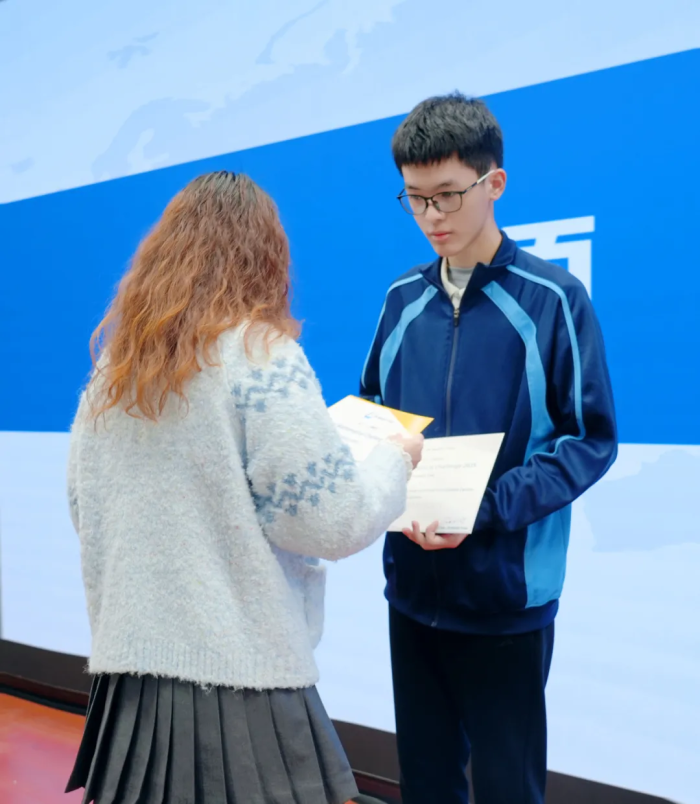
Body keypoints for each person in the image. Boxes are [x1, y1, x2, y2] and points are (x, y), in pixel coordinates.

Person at [65, 170, 423, 804]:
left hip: (130, 684)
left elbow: (83, 504)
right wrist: (395, 459)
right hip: (240, 683)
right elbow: (331, 520)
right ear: (267, 258)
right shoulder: (259, 354)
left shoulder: (113, 372)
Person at [360, 93, 618, 804]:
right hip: (411, 589)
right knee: (427, 784)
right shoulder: (400, 300)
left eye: (447, 195)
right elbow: (376, 413)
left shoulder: (553, 298)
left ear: (493, 182)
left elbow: (590, 439)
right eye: (415, 199)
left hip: (507, 595)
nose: (431, 217)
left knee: (508, 789)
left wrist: (483, 507)